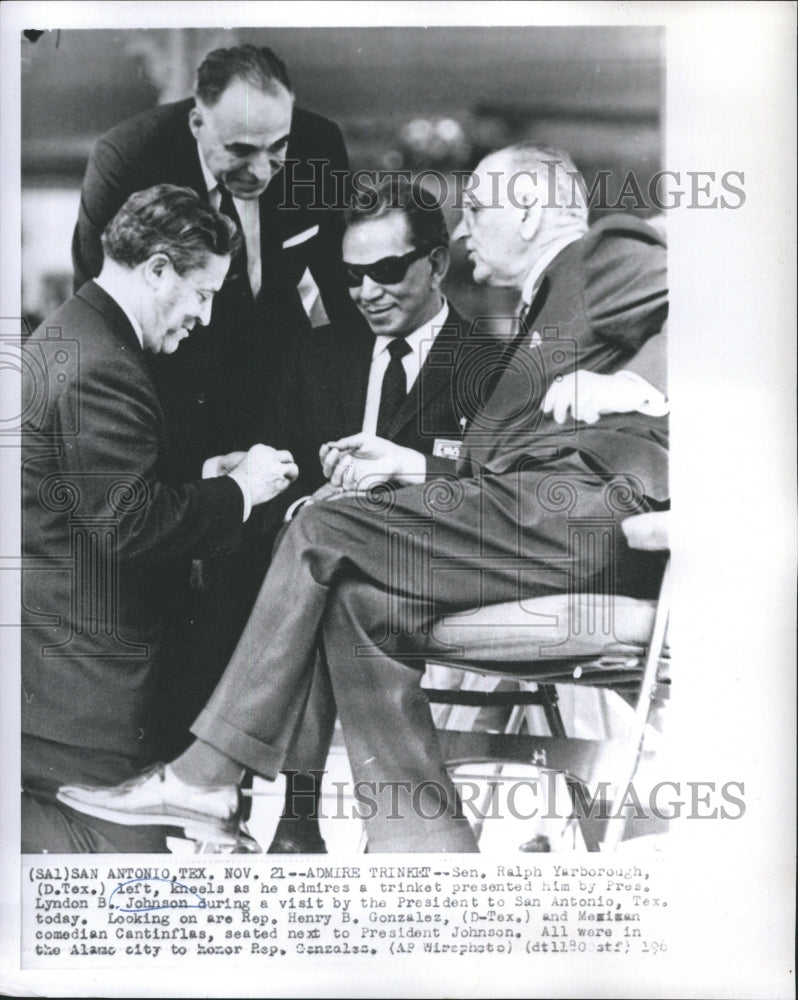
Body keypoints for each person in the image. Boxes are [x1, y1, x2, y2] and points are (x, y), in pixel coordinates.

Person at [58, 144, 669, 853]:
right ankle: (429, 852)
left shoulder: (604, 254)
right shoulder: (542, 300)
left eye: (476, 209)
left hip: (584, 526)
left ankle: (207, 777)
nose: (465, 230)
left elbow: (722, 298)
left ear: (531, 210)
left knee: (326, 525)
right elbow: (498, 468)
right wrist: (414, 467)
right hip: (531, 523)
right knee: (359, 602)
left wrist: (639, 385)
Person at [72, 45, 363, 744]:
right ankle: (170, 761)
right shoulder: (129, 159)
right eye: (241, 149)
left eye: (277, 147)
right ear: (197, 122)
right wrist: (190, 464)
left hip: (275, 395)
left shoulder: (320, 148)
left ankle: (241, 774)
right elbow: (113, 319)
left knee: (275, 582)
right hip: (168, 399)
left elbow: (338, 296)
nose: (262, 169)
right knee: (177, 595)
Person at [22, 185, 298, 853]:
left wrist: (199, 482)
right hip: (90, 709)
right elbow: (128, 524)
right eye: (203, 294)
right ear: (157, 270)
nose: (204, 316)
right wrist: (240, 490)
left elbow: (92, 496)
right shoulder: (103, 366)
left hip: (50, 690)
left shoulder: (67, 334)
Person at [240, 176, 495, 852]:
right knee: (329, 570)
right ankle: (401, 832)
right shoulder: (316, 357)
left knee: (329, 573)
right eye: (352, 276)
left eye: (386, 271)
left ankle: (294, 812)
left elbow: (501, 491)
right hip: (329, 570)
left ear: (437, 262)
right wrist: (307, 504)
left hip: (432, 566)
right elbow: (274, 479)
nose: (366, 293)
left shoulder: (492, 368)